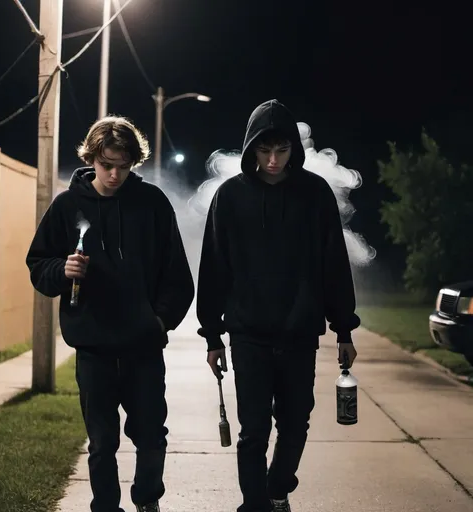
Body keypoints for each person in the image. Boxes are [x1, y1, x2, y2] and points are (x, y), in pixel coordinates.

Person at [196, 99, 360, 512]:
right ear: (251, 148)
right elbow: (214, 266)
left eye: (281, 151)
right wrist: (212, 336)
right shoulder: (230, 196)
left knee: (295, 424)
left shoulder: (314, 194)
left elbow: (333, 264)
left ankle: (276, 489)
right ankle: (255, 505)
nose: (272, 160)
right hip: (248, 334)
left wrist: (344, 328)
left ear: (294, 150)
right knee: (252, 431)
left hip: (300, 332)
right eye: (264, 151)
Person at [26, 116, 194, 512]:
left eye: (124, 165)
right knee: (102, 443)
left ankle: (147, 502)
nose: (115, 174)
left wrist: (159, 322)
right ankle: (105, 507)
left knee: (152, 436)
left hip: (143, 349)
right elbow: (38, 264)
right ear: (92, 159)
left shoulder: (152, 203)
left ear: (133, 161)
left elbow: (178, 276)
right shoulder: (68, 206)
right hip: (94, 349)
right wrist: (60, 270)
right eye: (107, 165)